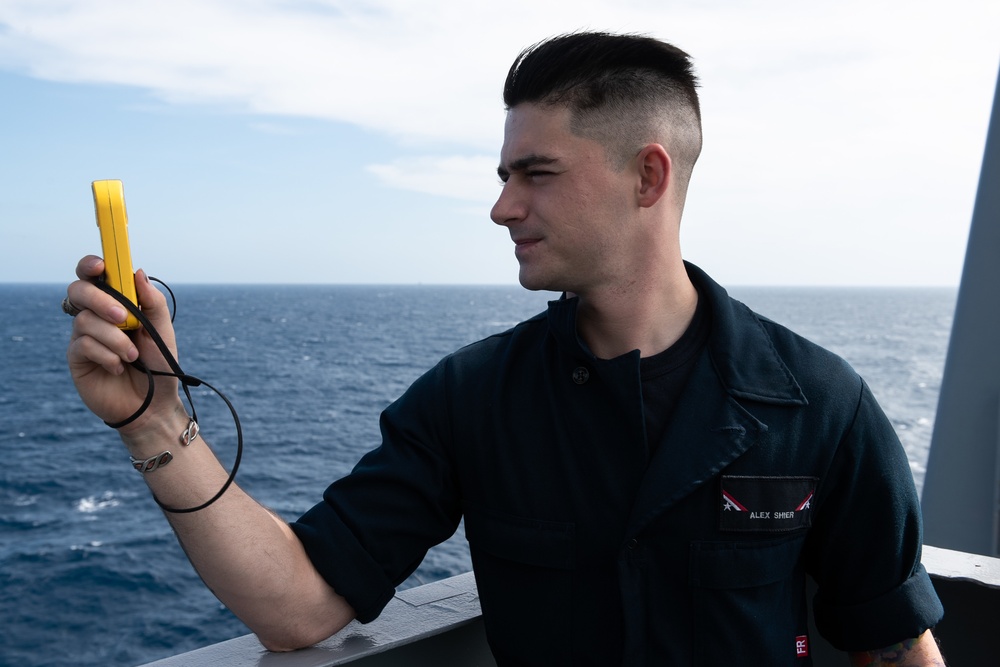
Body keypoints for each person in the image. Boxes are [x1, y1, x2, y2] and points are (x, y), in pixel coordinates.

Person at [64, 31, 946, 666]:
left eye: (537, 173)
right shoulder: (472, 398)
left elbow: (895, 642)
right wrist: (154, 418)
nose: (502, 207)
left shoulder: (821, 404)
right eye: (502, 176)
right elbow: (297, 606)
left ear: (649, 176)